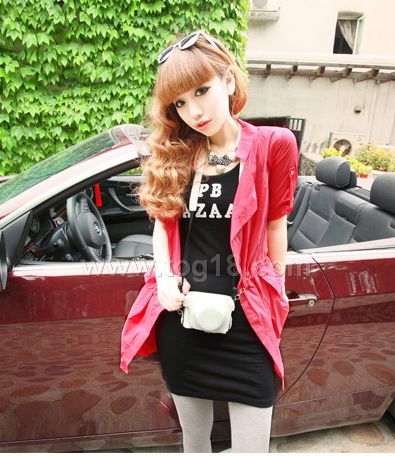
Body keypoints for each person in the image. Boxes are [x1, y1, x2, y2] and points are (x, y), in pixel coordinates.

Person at [120, 30, 299, 453]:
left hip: (246, 323)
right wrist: (165, 280)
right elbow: (163, 225)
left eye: (202, 91)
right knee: (195, 444)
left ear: (229, 80)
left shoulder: (274, 145)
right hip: (184, 323)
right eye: (180, 103)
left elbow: (276, 226)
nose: (194, 111)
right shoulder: (178, 153)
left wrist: (275, 293)